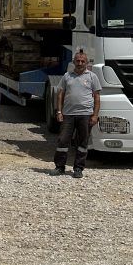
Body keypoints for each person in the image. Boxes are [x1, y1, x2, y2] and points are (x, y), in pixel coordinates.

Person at [50, 50, 100, 178]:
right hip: (68, 114)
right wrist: (59, 111)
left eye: (83, 61)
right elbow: (60, 94)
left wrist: (95, 115)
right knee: (62, 140)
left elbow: (97, 97)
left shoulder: (92, 77)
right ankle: (59, 167)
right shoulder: (67, 76)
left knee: (82, 142)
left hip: (86, 114)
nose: (80, 63)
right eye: (77, 61)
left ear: (87, 63)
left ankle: (78, 168)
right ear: (73, 62)